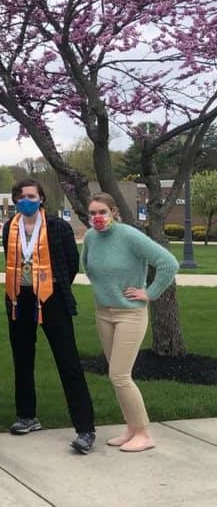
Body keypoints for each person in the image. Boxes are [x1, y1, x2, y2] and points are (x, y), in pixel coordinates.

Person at [3, 178, 96, 454]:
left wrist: (53, 285)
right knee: (22, 359)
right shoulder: (11, 226)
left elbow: (70, 263)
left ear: (42, 198)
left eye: (31, 195)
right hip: (19, 298)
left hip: (51, 298)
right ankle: (27, 416)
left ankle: (85, 428)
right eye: (20, 196)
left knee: (68, 361)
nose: (26, 200)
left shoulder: (58, 226)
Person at [82, 192, 179, 452]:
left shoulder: (129, 236)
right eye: (92, 213)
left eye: (102, 212)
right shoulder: (91, 237)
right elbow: (87, 267)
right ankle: (131, 429)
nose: (97, 217)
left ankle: (144, 433)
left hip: (130, 314)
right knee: (117, 377)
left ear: (114, 212)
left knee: (120, 375)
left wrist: (149, 292)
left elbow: (168, 263)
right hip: (104, 313)